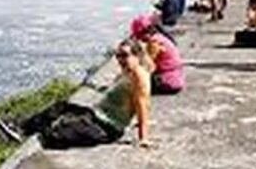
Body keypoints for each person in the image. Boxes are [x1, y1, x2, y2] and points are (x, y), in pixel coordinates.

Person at [13, 39, 152, 149]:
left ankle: (38, 133)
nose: (120, 60)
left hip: (108, 128)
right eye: (118, 56)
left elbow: (142, 104)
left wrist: (143, 137)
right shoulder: (128, 72)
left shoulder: (139, 77)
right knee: (60, 107)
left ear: (136, 55)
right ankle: (21, 129)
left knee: (56, 135)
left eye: (124, 55)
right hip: (95, 115)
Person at [131, 14, 185, 95]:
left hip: (167, 82)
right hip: (175, 78)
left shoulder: (154, 43)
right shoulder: (160, 38)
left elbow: (148, 66)